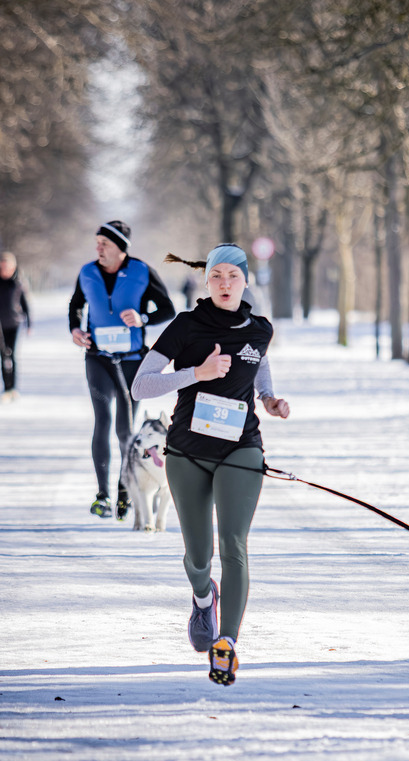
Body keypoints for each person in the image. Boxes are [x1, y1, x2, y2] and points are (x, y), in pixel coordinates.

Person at [131, 243, 289, 686]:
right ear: (206, 281)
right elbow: (141, 387)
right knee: (199, 557)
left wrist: (270, 400)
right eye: (216, 276)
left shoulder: (260, 329)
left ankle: (228, 643)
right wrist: (195, 374)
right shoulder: (185, 327)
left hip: (242, 446)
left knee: (234, 545)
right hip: (187, 452)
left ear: (244, 282)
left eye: (232, 276)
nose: (224, 283)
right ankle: (204, 599)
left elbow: (259, 369)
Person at [68, 220, 175, 519]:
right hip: (98, 357)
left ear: (120, 248)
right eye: (97, 242)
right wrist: (75, 328)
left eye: (104, 243)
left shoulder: (141, 271)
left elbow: (167, 308)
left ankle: (124, 493)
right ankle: (102, 495)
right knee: (101, 421)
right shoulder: (87, 272)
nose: (98, 248)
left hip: (132, 360)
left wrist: (142, 318)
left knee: (125, 428)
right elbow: (76, 305)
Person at [0, 252, 31, 403]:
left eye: (7, 267)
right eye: (2, 267)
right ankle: (6, 388)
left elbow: (25, 305)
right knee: (3, 356)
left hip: (14, 324)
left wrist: (29, 323)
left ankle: (13, 388)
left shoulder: (18, 283)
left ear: (13, 268)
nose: (4, 270)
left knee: (12, 356)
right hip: (0, 326)